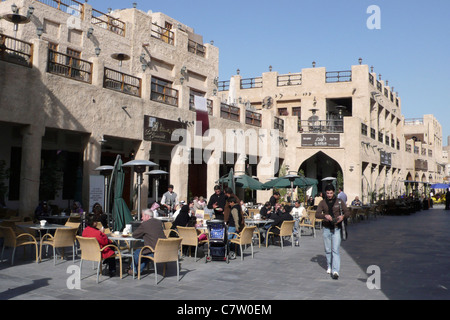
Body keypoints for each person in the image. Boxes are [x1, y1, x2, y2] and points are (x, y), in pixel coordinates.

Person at [316, 184, 350, 280]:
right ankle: (329, 266)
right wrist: (324, 216)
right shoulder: (322, 202)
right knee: (328, 250)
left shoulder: (339, 201)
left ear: (334, 192)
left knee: (335, 250)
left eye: (331, 193)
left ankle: (336, 271)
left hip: (336, 228)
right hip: (326, 228)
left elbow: (347, 212)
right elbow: (317, 214)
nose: (329, 195)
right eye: (328, 193)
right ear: (325, 193)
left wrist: (342, 217)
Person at [130, 209, 166, 276]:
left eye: (142, 216)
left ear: (147, 216)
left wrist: (142, 225)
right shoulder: (158, 222)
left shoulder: (145, 224)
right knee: (145, 254)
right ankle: (137, 271)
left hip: (153, 251)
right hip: (162, 250)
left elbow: (134, 234)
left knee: (137, 252)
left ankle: (133, 269)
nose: (141, 218)